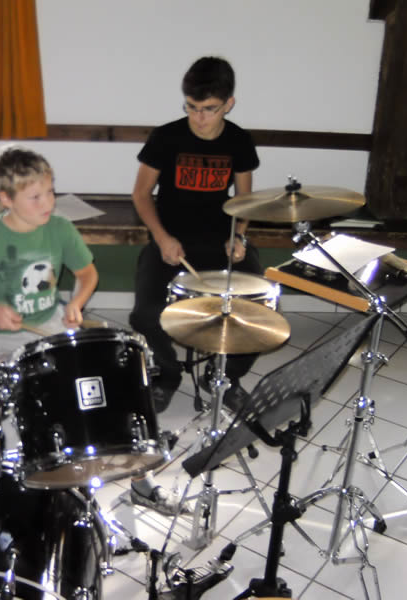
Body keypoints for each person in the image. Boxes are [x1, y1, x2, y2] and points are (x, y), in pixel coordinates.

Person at [130, 57, 262, 416]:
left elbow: (245, 201)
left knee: (261, 311)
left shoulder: (239, 141)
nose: (198, 117)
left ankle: (225, 376)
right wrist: (161, 237)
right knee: (145, 315)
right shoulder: (166, 137)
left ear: (228, 104)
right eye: (191, 107)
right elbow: (141, 195)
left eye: (209, 109)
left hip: (221, 242)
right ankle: (168, 373)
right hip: (171, 241)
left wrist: (239, 237)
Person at [0, 145, 98, 372]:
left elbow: (86, 273)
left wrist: (76, 303)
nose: (48, 203)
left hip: (50, 322)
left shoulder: (61, 228)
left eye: (50, 192)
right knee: (11, 382)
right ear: (7, 199)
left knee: (74, 374)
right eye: (35, 197)